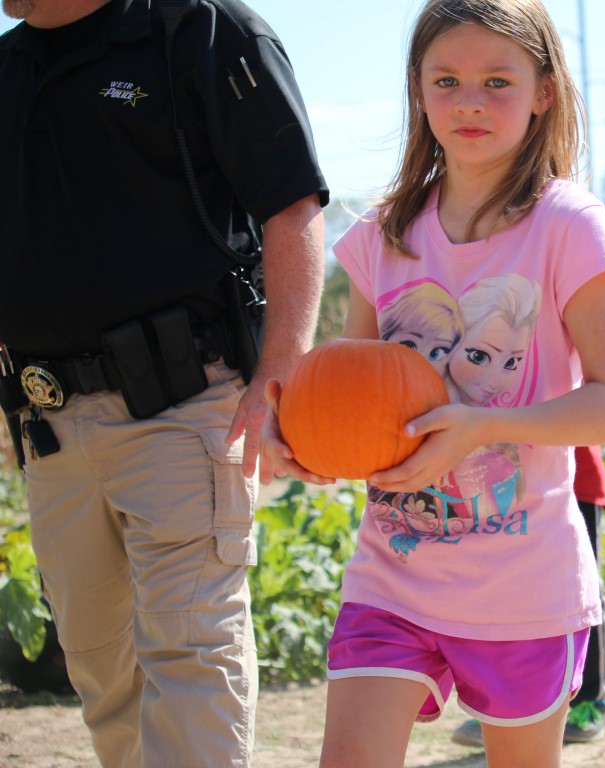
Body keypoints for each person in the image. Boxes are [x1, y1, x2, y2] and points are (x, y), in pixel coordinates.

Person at [260, 1, 605, 766]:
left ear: (543, 92)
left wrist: (485, 427)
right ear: (419, 90)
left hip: (523, 586)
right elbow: (352, 387)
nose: (470, 102)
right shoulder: (380, 235)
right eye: (447, 81)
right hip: (391, 576)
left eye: (498, 81)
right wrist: (298, 434)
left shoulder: (567, 225)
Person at [0, 1, 328, 765]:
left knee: (188, 654)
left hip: (186, 406)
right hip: (49, 427)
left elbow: (291, 205)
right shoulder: (7, 71)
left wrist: (281, 375)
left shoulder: (204, 31)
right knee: (102, 673)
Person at [450, 444, 605, 748]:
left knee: (580, 588)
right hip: (505, 481)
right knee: (504, 589)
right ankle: (501, 708)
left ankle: (593, 700)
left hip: (574, 484)